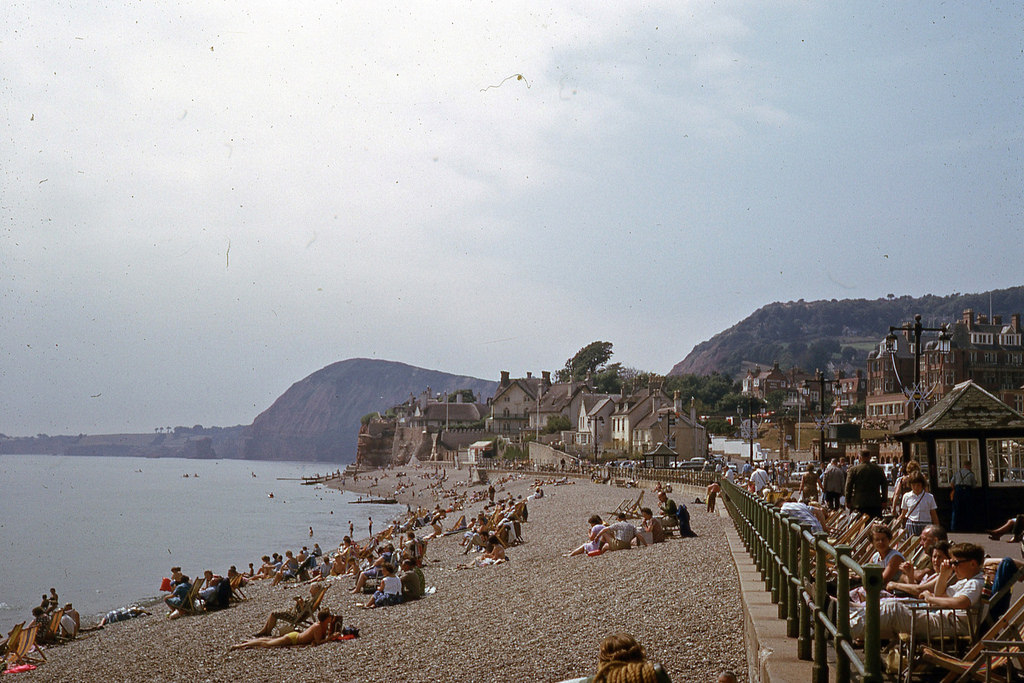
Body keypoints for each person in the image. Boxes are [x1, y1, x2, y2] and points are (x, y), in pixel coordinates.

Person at [850, 542, 986, 641]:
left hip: (948, 625)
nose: (953, 567)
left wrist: (930, 598)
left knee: (893, 609)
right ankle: (847, 616)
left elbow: (961, 602)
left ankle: (847, 627)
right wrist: (944, 575)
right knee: (890, 604)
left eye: (956, 563)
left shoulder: (975, 583)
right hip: (940, 620)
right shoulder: (965, 581)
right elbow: (940, 595)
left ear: (973, 564)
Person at [231, 610, 335, 650]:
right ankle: (240, 646)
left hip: (294, 636)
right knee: (267, 644)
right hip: (293, 639)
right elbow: (318, 642)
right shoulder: (317, 627)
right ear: (326, 619)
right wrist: (330, 638)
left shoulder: (321, 625)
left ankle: (248, 642)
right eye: (330, 617)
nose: (332, 618)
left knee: (268, 641)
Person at [254, 585, 318, 637]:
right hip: (297, 614)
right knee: (273, 612)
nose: (310, 590)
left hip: (296, 616)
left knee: (273, 614)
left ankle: (267, 632)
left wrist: (300, 603)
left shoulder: (312, 600)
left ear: (316, 590)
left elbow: (303, 610)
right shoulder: (313, 598)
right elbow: (305, 609)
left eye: (311, 588)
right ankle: (264, 631)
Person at [844, 450, 887, 519]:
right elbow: (884, 485)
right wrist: (884, 500)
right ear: (870, 457)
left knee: (858, 526)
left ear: (860, 457)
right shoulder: (878, 469)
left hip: (859, 503)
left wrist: (847, 501)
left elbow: (848, 486)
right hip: (875, 502)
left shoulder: (854, 470)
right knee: (875, 524)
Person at [900, 472, 939, 536]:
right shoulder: (906, 496)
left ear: (922, 485)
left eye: (918, 485)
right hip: (911, 525)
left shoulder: (929, 497)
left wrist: (937, 530)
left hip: (925, 525)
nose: (916, 487)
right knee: (911, 545)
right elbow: (903, 513)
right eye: (913, 485)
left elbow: (934, 515)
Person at [950, 461, 978, 532]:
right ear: (969, 466)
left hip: (958, 491)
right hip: (967, 491)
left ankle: (954, 527)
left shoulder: (957, 473)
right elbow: (974, 486)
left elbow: (952, 483)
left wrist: (954, 489)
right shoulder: (971, 474)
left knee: (956, 510)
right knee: (968, 509)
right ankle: (968, 527)